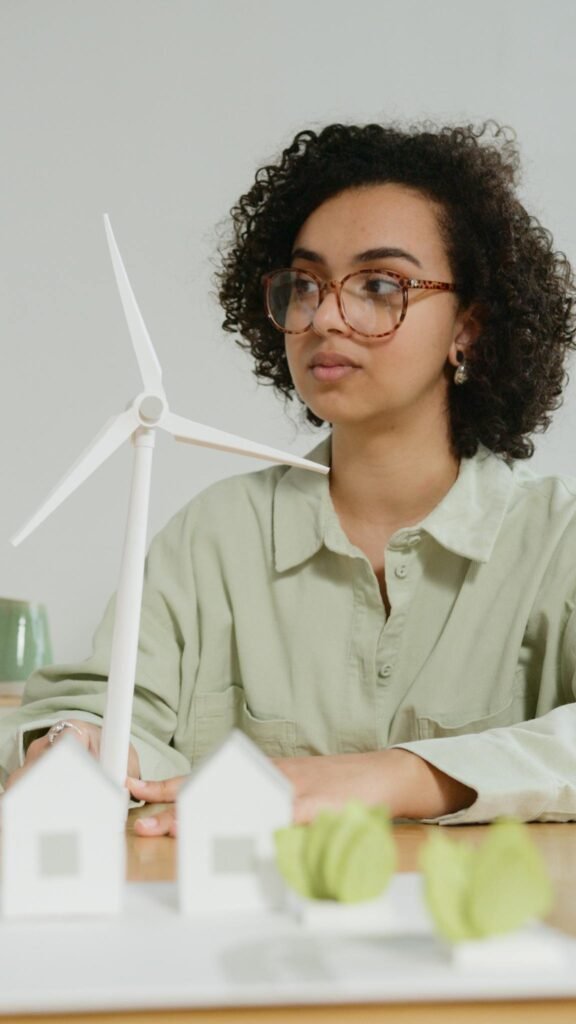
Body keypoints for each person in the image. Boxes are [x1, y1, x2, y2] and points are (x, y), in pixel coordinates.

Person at [2, 121, 576, 837]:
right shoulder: (213, 538)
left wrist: (393, 776)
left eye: (377, 285)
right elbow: (112, 711)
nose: (325, 316)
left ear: (468, 326)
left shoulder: (556, 542)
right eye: (305, 285)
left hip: (478, 935)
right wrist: (76, 743)